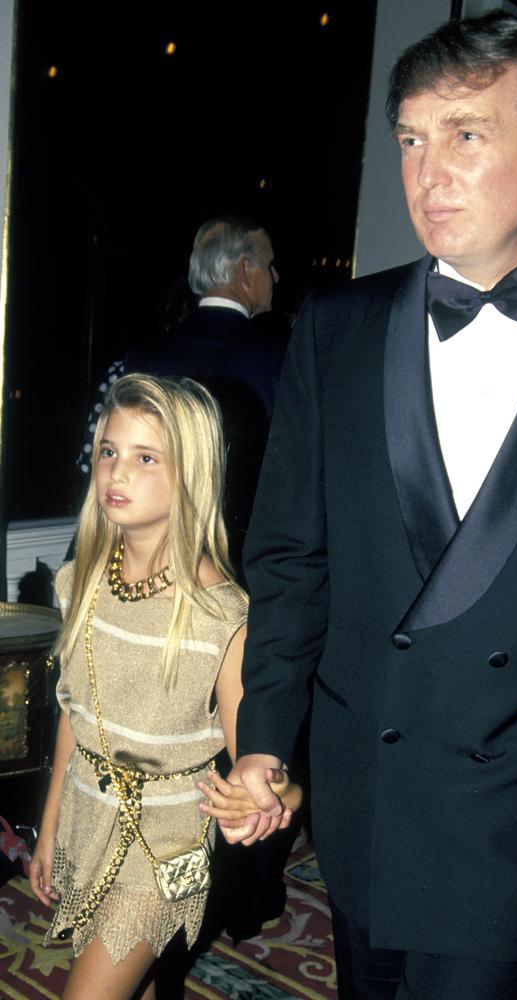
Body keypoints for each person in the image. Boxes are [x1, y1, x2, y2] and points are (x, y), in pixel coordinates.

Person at [200, 11, 517, 1000]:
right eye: (409, 138)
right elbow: (290, 557)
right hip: (367, 799)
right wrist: (265, 739)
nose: (426, 170)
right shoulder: (336, 327)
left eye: (466, 134)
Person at [28, 373, 297, 999]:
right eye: (108, 452)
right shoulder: (83, 583)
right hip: (86, 823)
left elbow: (256, 765)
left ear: (190, 476)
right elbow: (76, 713)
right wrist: (48, 827)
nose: (116, 473)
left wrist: (277, 794)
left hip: (166, 850)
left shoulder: (220, 616)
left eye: (146, 458)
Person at [124, 215, 287, 581]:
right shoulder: (281, 360)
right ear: (245, 270)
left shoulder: (141, 357)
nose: (275, 277)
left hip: (154, 560)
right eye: (270, 264)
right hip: (241, 567)